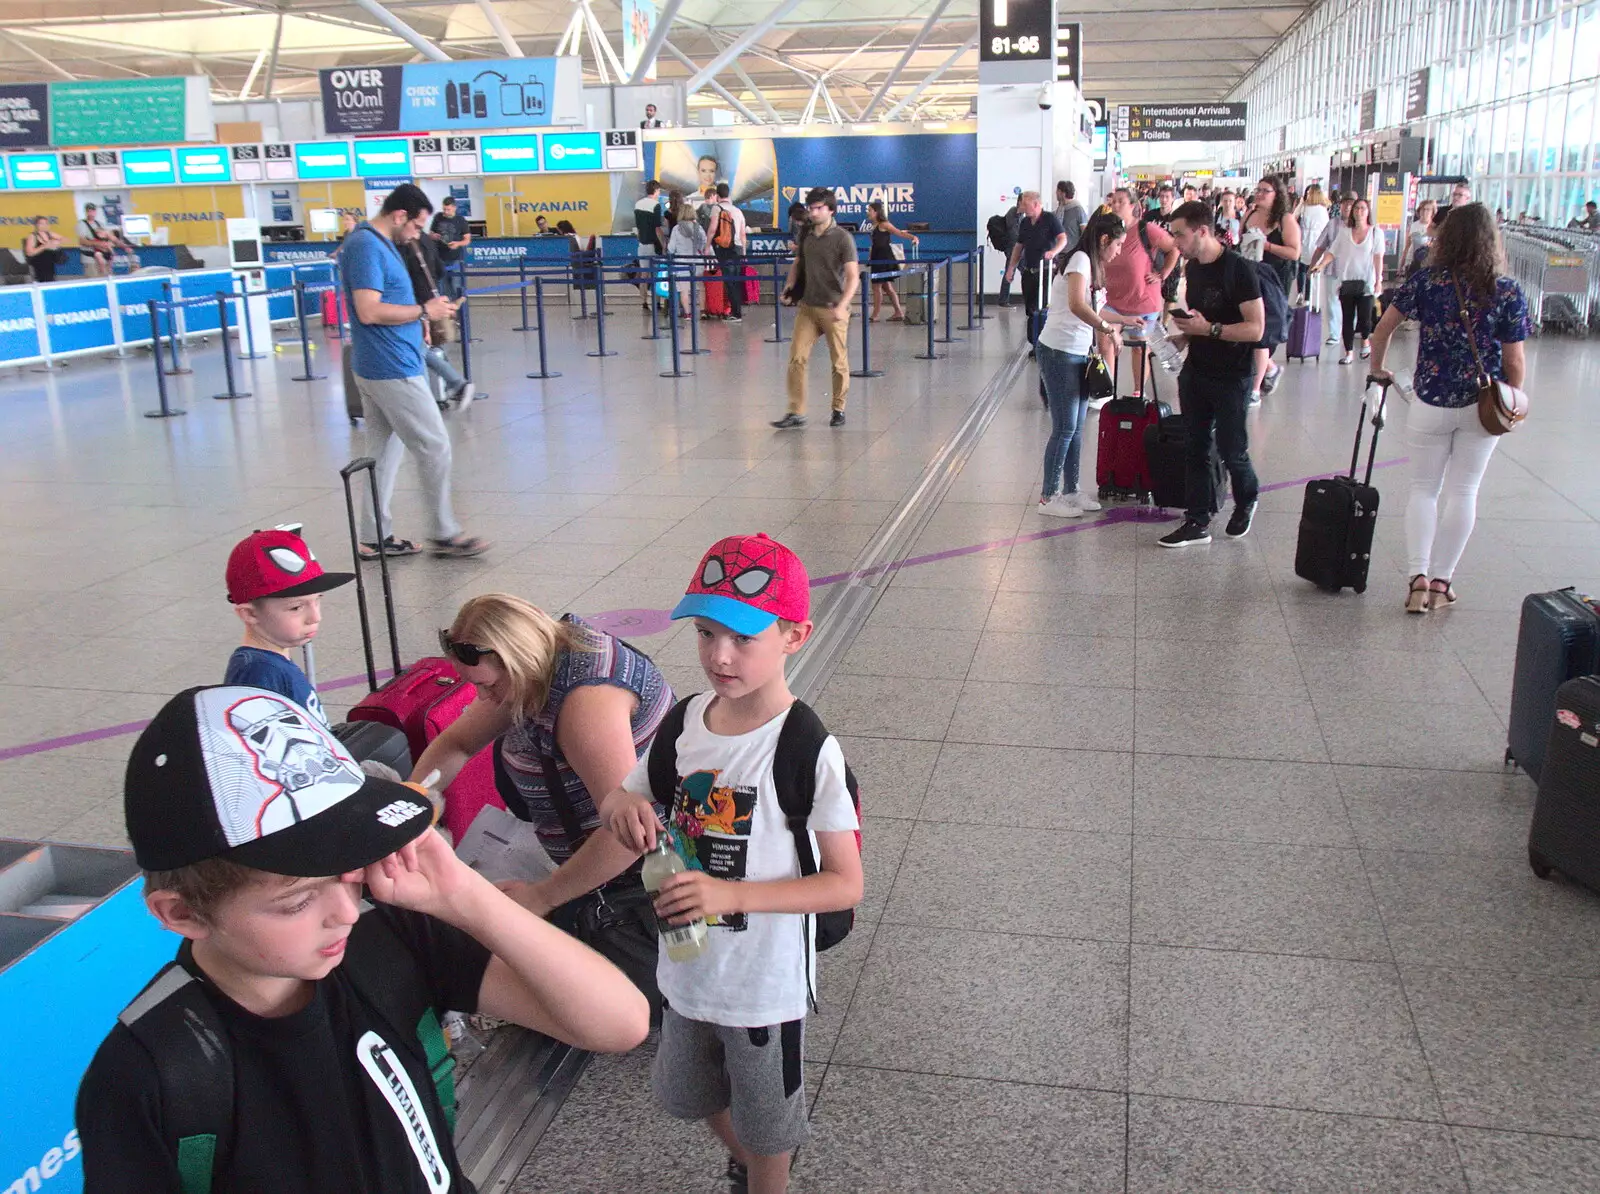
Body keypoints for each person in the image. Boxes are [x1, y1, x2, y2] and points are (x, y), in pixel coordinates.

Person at [76, 685, 650, 1194]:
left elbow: (617, 1023)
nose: (345, 912)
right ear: (182, 914)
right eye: (297, 902)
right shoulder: (151, 1071)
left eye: (349, 874)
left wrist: (468, 898)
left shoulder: (391, 935)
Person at [601, 533, 863, 1194]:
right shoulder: (686, 723)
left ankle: (766, 1177)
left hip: (763, 983)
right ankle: (747, 1162)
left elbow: (844, 883)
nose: (720, 655)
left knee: (769, 1123)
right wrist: (619, 807)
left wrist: (732, 896)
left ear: (795, 636)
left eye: (744, 638)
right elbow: (633, 791)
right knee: (686, 1092)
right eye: (707, 633)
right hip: (687, 961)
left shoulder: (806, 749)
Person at [410, 593, 675, 1012]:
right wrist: (413, 802)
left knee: (576, 996)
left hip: (643, 877)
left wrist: (543, 897)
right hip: (597, 861)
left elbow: (627, 837)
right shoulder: (544, 659)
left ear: (517, 659)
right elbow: (456, 745)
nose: (483, 699)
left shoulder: (586, 703)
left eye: (487, 685)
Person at [1368, 203, 1530, 614]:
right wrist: (1510, 398)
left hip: (1430, 399)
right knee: (1464, 491)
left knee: (1424, 489)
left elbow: (1383, 328)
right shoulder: (1506, 290)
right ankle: (1442, 582)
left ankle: (1417, 580)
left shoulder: (1427, 282)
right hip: (1482, 403)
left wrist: (1378, 370)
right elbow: (1514, 361)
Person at [342, 183, 487, 561]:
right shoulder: (367, 245)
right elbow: (368, 310)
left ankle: (374, 536)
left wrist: (420, 316)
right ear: (399, 215)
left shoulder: (382, 243)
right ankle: (444, 533)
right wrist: (424, 313)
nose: (417, 235)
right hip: (391, 367)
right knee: (434, 446)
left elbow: (389, 300)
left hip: (386, 362)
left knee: (383, 454)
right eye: (416, 226)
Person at [1159, 201, 1265, 549]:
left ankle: (1247, 498)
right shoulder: (1194, 268)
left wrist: (1212, 329)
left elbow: (1255, 329)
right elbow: (1201, 319)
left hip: (1232, 375)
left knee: (1233, 449)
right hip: (1196, 371)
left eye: (1179, 234)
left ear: (1202, 231)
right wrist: (1185, 334)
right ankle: (1197, 519)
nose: (1175, 242)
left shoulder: (1239, 271)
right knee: (1195, 446)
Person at [1035, 212, 1137, 517]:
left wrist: (1121, 319)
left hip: (1078, 352)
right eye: (1117, 244)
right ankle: (1048, 497)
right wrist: (1108, 329)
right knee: (1065, 427)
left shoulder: (1092, 264)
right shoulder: (1080, 260)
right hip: (1059, 351)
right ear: (1104, 240)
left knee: (1076, 428)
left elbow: (1095, 305)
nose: (1119, 251)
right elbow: (1077, 304)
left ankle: (1071, 490)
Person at [222, 527, 354, 731]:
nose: (316, 617)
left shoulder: (273, 658)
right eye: (296, 607)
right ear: (250, 614)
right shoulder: (260, 674)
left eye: (317, 601)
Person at [772, 187, 859, 430]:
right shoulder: (806, 234)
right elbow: (798, 264)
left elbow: (853, 277)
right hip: (808, 307)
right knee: (796, 358)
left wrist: (843, 306)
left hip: (833, 308)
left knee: (838, 362)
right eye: (811, 208)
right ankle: (796, 411)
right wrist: (790, 287)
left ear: (830, 210)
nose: (813, 212)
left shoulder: (843, 238)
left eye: (818, 208)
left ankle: (838, 408)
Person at [1105, 187, 1177, 396]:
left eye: (1120, 202)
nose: (1115, 205)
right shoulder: (1108, 231)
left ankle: (1138, 392)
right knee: (1106, 338)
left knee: (1139, 348)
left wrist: (1162, 274)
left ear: (1133, 207)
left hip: (1142, 301)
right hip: (1112, 300)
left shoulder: (1147, 230)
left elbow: (1174, 247)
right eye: (1113, 201)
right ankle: (1107, 389)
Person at [400, 213, 476, 412]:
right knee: (430, 346)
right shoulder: (426, 240)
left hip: (419, 303)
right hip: (432, 297)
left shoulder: (406, 246)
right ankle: (448, 386)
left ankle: (453, 384)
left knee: (420, 348)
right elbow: (441, 271)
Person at [1239, 176, 1299, 403]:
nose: (1260, 194)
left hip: (1274, 280)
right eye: (1259, 189)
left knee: (1262, 332)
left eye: (1266, 191)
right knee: (1249, 327)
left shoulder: (1285, 220)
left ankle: (1255, 389)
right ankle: (1270, 369)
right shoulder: (1250, 215)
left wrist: (1267, 245)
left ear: (1277, 195)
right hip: (1250, 276)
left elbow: (1294, 252)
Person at [1308, 196, 1385, 365]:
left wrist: (1378, 279)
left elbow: (1378, 257)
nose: (1359, 212)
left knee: (1365, 319)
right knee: (1347, 318)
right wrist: (1320, 265)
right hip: (1347, 282)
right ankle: (1348, 352)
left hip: (1366, 283)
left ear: (1368, 212)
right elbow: (1332, 252)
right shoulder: (1344, 232)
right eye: (1356, 209)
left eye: (1362, 209)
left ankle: (1365, 341)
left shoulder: (1375, 233)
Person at [1004, 190, 1068, 331]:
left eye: (1026, 205)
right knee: (1030, 308)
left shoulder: (1050, 219)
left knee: (1043, 306)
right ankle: (1033, 340)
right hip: (1029, 271)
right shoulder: (1025, 222)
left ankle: (1041, 341)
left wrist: (1053, 252)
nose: (1023, 208)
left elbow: (1063, 238)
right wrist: (1011, 268)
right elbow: (1018, 247)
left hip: (1045, 271)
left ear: (1036, 204)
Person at [865, 199, 919, 322]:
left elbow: (899, 232)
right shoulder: (874, 226)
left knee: (876, 286)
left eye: (870, 210)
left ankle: (875, 314)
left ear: (876, 212)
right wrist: (870, 256)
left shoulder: (884, 224)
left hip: (884, 258)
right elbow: (875, 244)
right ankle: (898, 312)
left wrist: (913, 237)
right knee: (887, 287)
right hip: (876, 258)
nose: (868, 212)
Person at [709, 182, 748, 323]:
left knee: (730, 281)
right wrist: (744, 253)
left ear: (717, 196)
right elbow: (743, 235)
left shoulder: (717, 208)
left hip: (725, 249)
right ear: (728, 194)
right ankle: (736, 311)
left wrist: (707, 247)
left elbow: (713, 229)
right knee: (735, 281)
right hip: (737, 249)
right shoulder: (738, 211)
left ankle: (736, 313)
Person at [667, 198, 709, 316]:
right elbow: (704, 243)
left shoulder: (676, 229)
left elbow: (671, 248)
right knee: (700, 287)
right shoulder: (698, 227)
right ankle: (703, 312)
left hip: (681, 263)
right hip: (697, 262)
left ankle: (687, 313)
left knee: (684, 290)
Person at [427, 196, 470, 299]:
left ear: (454, 208)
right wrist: (433, 236)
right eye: (444, 209)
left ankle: (458, 310)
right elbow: (431, 233)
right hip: (440, 258)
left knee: (456, 285)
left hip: (455, 258)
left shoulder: (461, 220)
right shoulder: (438, 217)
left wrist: (458, 244)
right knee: (442, 287)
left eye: (448, 209)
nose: (445, 212)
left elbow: (467, 239)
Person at [634, 180, 666, 309]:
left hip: (642, 244)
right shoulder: (656, 205)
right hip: (654, 244)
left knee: (644, 274)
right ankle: (657, 302)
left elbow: (638, 227)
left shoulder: (638, 204)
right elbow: (657, 228)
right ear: (657, 190)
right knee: (656, 274)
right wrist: (663, 243)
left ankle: (644, 302)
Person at [1297, 185, 1330, 301]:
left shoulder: (1305, 207)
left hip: (1304, 240)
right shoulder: (1323, 210)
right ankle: (1309, 297)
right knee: (1312, 269)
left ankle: (1300, 292)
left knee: (1301, 268)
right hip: (1317, 242)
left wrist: (1300, 203)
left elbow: (1293, 216)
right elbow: (1326, 228)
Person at [78, 203, 120, 276]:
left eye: (93, 211)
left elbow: (109, 237)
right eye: (89, 211)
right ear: (86, 212)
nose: (91, 213)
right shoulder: (82, 224)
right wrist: (99, 244)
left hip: (104, 256)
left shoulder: (100, 224)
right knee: (94, 280)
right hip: (90, 258)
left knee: (107, 278)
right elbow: (82, 241)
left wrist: (115, 243)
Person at [22, 214, 65, 283]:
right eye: (41, 223)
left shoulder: (49, 234)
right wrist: (44, 246)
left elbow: (65, 239)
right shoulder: (32, 236)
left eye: (46, 223)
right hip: (38, 268)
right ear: (36, 225)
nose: (44, 225)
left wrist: (57, 242)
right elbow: (29, 253)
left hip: (50, 268)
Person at [1401, 199, 1438, 277]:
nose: (1424, 212)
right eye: (1422, 209)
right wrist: (1402, 264)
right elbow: (1407, 246)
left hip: (1426, 264)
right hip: (1411, 263)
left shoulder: (1435, 227)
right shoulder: (1413, 225)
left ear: (1432, 212)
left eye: (1428, 209)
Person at [1055, 180, 1088, 248]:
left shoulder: (1078, 209)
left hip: (1072, 251)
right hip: (1059, 251)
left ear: (1063, 193)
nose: (1055, 193)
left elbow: (1085, 232)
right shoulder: (1059, 209)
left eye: (1057, 191)